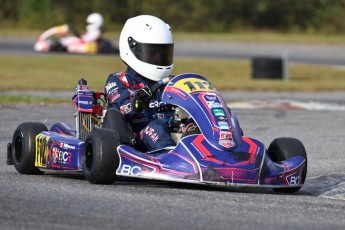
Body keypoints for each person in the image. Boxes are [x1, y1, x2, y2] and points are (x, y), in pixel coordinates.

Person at [103, 15, 176, 152]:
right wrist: (138, 101)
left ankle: (216, 159)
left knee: (194, 126)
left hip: (171, 127)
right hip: (137, 135)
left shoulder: (170, 83)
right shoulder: (118, 80)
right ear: (131, 47)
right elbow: (123, 110)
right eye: (152, 53)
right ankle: (172, 161)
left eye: (162, 53)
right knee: (156, 128)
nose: (158, 58)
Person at [34, 12, 104, 53]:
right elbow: (85, 36)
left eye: (90, 23)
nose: (88, 25)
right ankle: (45, 39)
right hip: (77, 42)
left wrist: (77, 35)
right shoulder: (94, 33)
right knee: (65, 30)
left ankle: (52, 44)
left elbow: (87, 39)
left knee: (71, 46)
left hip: (80, 45)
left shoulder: (97, 33)